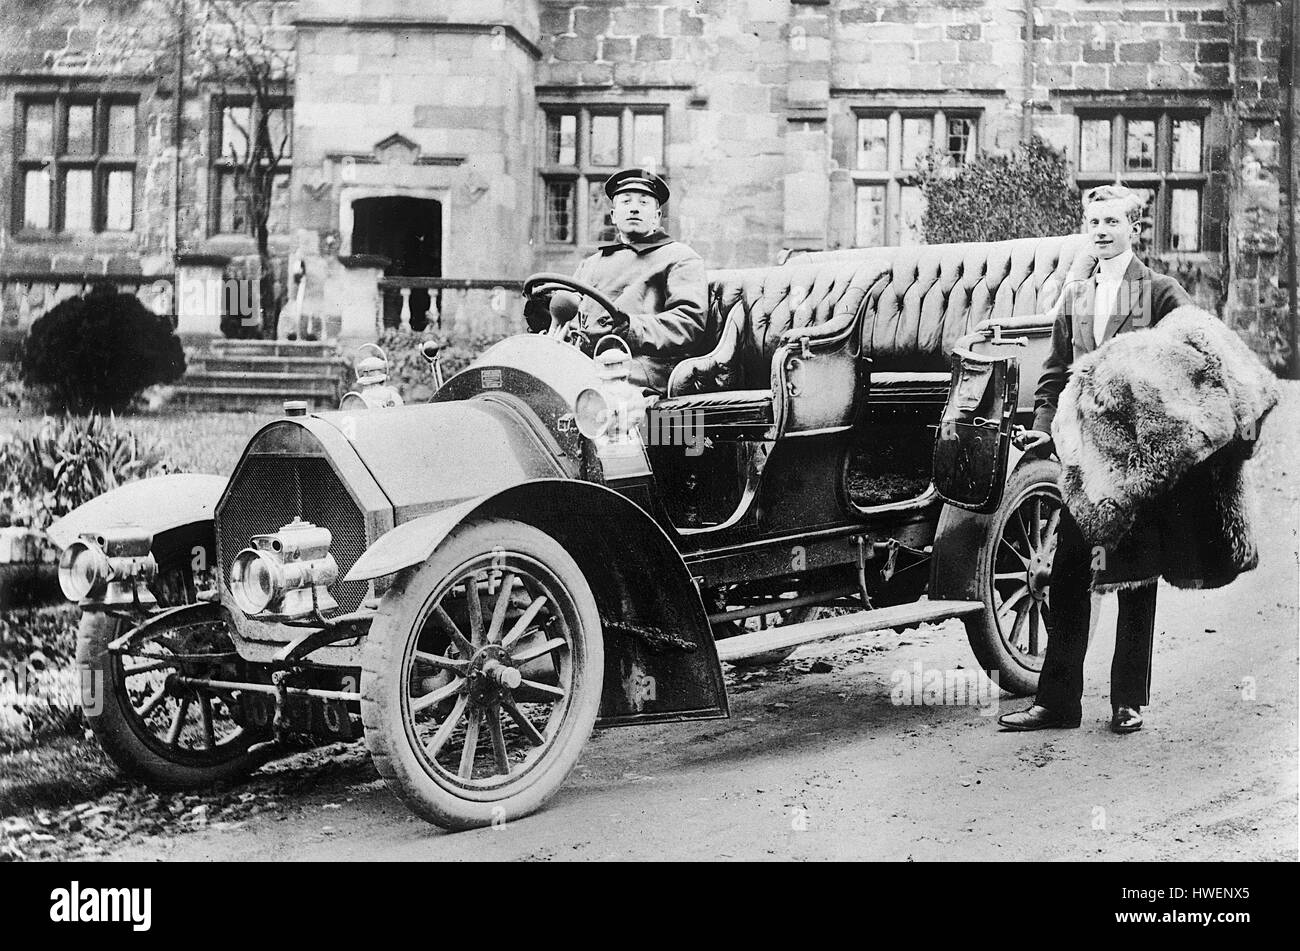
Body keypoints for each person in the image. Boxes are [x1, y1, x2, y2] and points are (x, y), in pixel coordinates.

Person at [998, 184, 1192, 735]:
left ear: (1134, 227)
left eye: (1112, 221)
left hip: (1134, 457)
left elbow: (1191, 358)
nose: (1101, 231)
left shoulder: (1160, 292)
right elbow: (1055, 372)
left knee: (1134, 576)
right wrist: (1042, 431)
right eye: (1093, 222)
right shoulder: (1077, 294)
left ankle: (1127, 700)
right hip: (1084, 458)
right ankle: (1058, 702)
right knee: (1068, 571)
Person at [549, 167, 708, 395]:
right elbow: (570, 313)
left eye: (644, 203)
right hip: (588, 363)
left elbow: (688, 322)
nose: (634, 208)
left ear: (657, 216)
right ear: (613, 215)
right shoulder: (591, 263)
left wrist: (632, 326)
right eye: (625, 201)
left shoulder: (680, 257)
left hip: (643, 367)